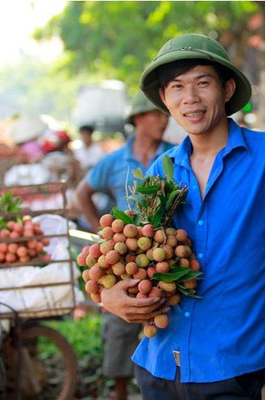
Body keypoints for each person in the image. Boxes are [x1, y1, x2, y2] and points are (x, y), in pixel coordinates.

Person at [99, 33, 265, 399]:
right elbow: (128, 254)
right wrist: (109, 297)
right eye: (176, 87)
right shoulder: (162, 169)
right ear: (166, 100)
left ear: (227, 88)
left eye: (203, 83)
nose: (190, 98)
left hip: (230, 368)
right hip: (157, 365)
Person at [76, 92, 173, 400]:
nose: (164, 120)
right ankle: (120, 392)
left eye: (164, 115)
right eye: (157, 114)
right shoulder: (115, 160)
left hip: (162, 253)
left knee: (163, 324)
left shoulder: (176, 155)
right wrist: (100, 234)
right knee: (119, 329)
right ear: (138, 120)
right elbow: (82, 193)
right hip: (123, 253)